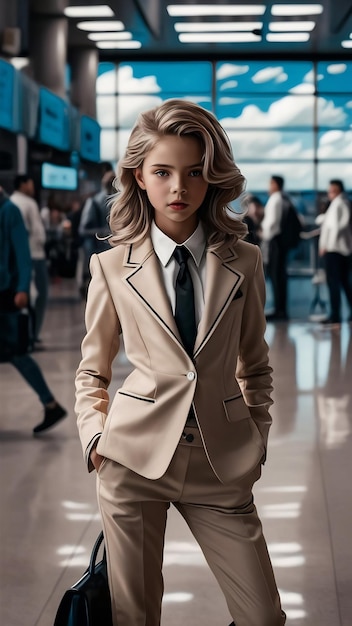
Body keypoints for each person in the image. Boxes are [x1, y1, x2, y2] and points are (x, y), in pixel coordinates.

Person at [75, 100, 286, 626]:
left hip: (222, 463)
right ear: (138, 178)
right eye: (163, 172)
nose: (179, 189)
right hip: (133, 459)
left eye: (194, 173)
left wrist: (256, 437)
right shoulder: (109, 267)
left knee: (263, 617)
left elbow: (255, 366)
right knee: (135, 618)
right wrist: (95, 439)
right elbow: (92, 370)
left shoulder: (245, 260)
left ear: (212, 178)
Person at [0, 187, 67, 434]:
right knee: (16, 353)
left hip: (6, 294)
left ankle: (50, 403)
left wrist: (22, 288)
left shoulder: (10, 211)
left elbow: (23, 254)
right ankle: (50, 403)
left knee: (16, 352)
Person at [10, 174, 49, 347]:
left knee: (26, 296)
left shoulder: (11, 202)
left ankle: (24, 335)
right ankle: (32, 336)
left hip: (21, 257)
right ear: (23, 184)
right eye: (31, 182)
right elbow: (32, 233)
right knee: (39, 296)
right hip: (35, 256)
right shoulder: (27, 203)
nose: (32, 186)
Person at [316, 179, 352, 326]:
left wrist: (326, 246)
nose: (329, 193)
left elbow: (337, 227)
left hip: (335, 250)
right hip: (339, 249)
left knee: (334, 283)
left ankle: (335, 315)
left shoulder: (340, 204)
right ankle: (337, 314)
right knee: (343, 282)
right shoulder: (339, 204)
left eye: (331, 190)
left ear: (336, 190)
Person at [78, 167, 116, 296]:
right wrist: (104, 232)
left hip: (116, 256)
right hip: (99, 254)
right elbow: (83, 230)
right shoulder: (94, 202)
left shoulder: (121, 202)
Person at [261, 175, 290, 321]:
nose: (269, 186)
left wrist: (264, 235)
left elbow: (272, 223)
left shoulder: (275, 199)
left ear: (276, 184)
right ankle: (280, 309)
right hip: (279, 242)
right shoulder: (283, 198)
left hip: (274, 242)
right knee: (278, 276)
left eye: (270, 183)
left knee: (276, 276)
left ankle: (280, 311)